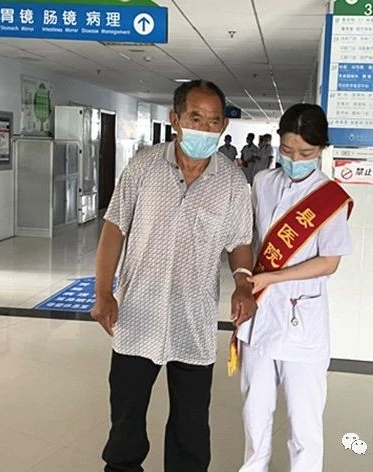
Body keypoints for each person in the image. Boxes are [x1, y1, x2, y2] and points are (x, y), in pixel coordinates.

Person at [92, 79, 257, 472]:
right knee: (126, 418)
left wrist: (243, 282)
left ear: (224, 126)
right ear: (175, 119)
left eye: (214, 121)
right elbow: (115, 227)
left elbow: (239, 242)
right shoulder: (144, 166)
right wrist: (103, 291)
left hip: (193, 320)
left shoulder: (232, 183)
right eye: (195, 118)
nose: (205, 128)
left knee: (191, 424)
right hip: (137, 315)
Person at [237, 104, 353, 472]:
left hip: (302, 317)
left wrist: (272, 278)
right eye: (287, 150)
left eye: (306, 153)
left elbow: (329, 262)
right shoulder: (262, 182)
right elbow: (250, 238)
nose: (295, 159)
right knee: (255, 413)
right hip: (259, 316)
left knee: (305, 423)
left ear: (321, 149)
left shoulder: (329, 197)